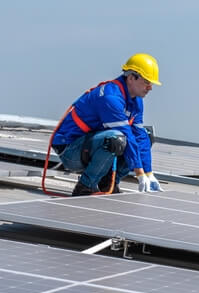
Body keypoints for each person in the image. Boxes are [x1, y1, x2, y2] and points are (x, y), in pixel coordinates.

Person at [52, 53, 163, 196]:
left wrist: (149, 173)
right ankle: (85, 187)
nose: (150, 88)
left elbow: (139, 137)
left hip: (89, 146)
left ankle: (109, 183)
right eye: (147, 82)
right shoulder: (110, 98)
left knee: (146, 137)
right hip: (70, 150)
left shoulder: (136, 101)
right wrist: (139, 174)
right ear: (131, 78)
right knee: (116, 139)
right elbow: (127, 136)